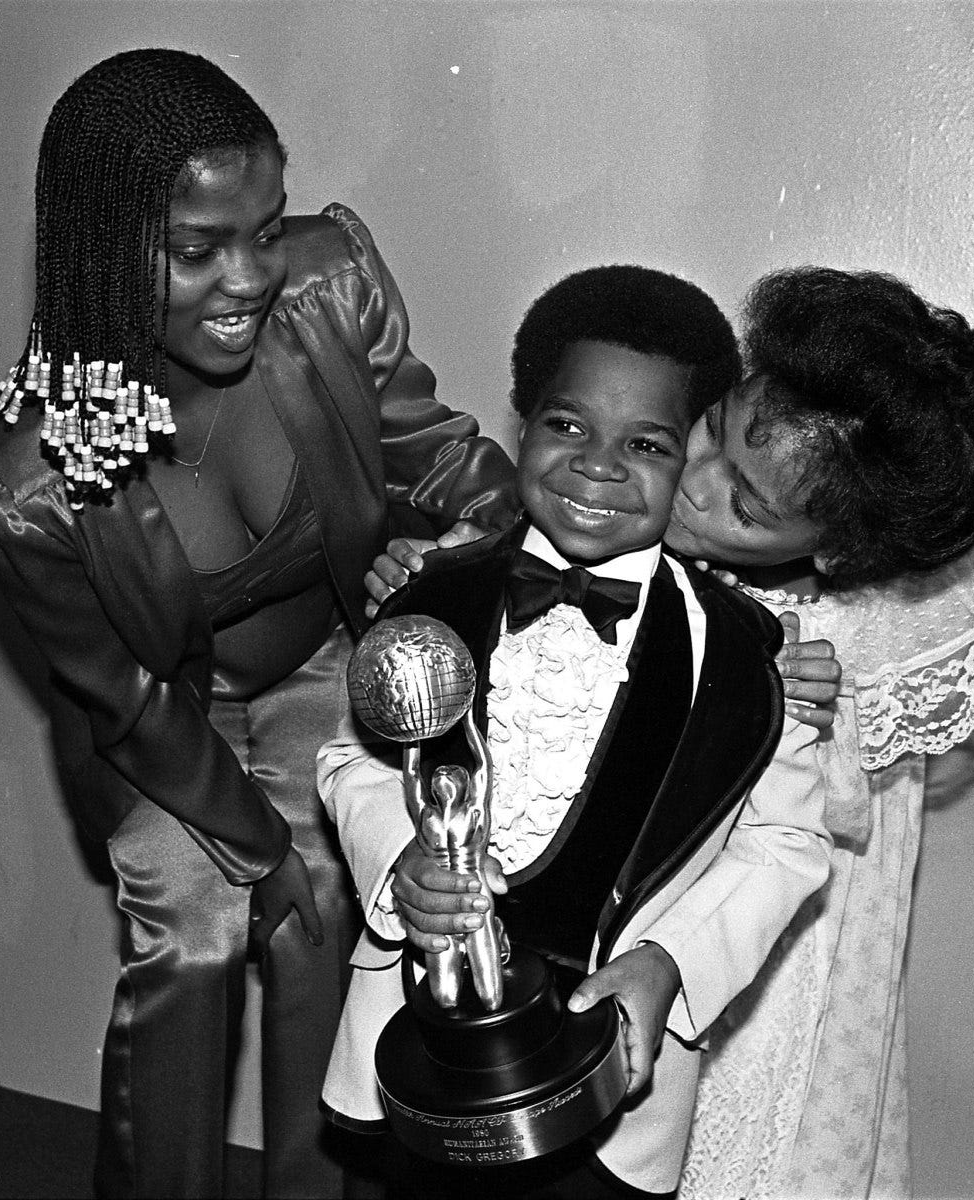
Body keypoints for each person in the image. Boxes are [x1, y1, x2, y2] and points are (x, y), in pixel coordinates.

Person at [0, 48, 518, 1200]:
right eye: (198, 248)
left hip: (324, 663)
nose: (249, 276)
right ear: (102, 251)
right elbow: (124, 696)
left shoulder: (330, 289)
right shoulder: (30, 477)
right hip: (165, 720)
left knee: (327, 916)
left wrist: (456, 549)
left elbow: (446, 464)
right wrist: (255, 852)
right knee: (200, 935)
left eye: (263, 229)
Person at [316, 265, 833, 1198]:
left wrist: (666, 965)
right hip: (417, 1046)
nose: (598, 465)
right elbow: (353, 758)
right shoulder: (434, 591)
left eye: (645, 443)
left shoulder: (753, 660)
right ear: (522, 422)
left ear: (690, 459)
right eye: (566, 427)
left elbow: (786, 842)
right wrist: (401, 865)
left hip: (609, 1079)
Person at [665, 266, 974, 1199]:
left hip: (788, 946)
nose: (691, 486)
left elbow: (841, 822)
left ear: (838, 552)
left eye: (744, 507)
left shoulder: (865, 637)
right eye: (710, 431)